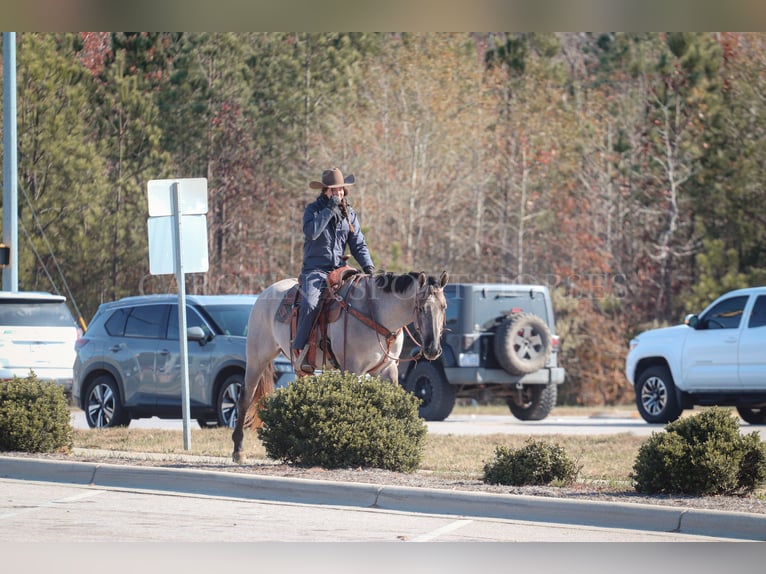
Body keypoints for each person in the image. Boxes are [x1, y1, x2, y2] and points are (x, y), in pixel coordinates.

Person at [292, 167, 375, 373]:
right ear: (325, 191)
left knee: (362, 298)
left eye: (341, 189)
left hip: (340, 268)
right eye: (334, 189)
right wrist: (330, 209)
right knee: (311, 303)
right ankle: (300, 350)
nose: (338, 193)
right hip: (315, 269)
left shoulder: (350, 213)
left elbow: (358, 244)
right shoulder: (313, 210)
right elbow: (312, 233)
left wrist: (369, 267)